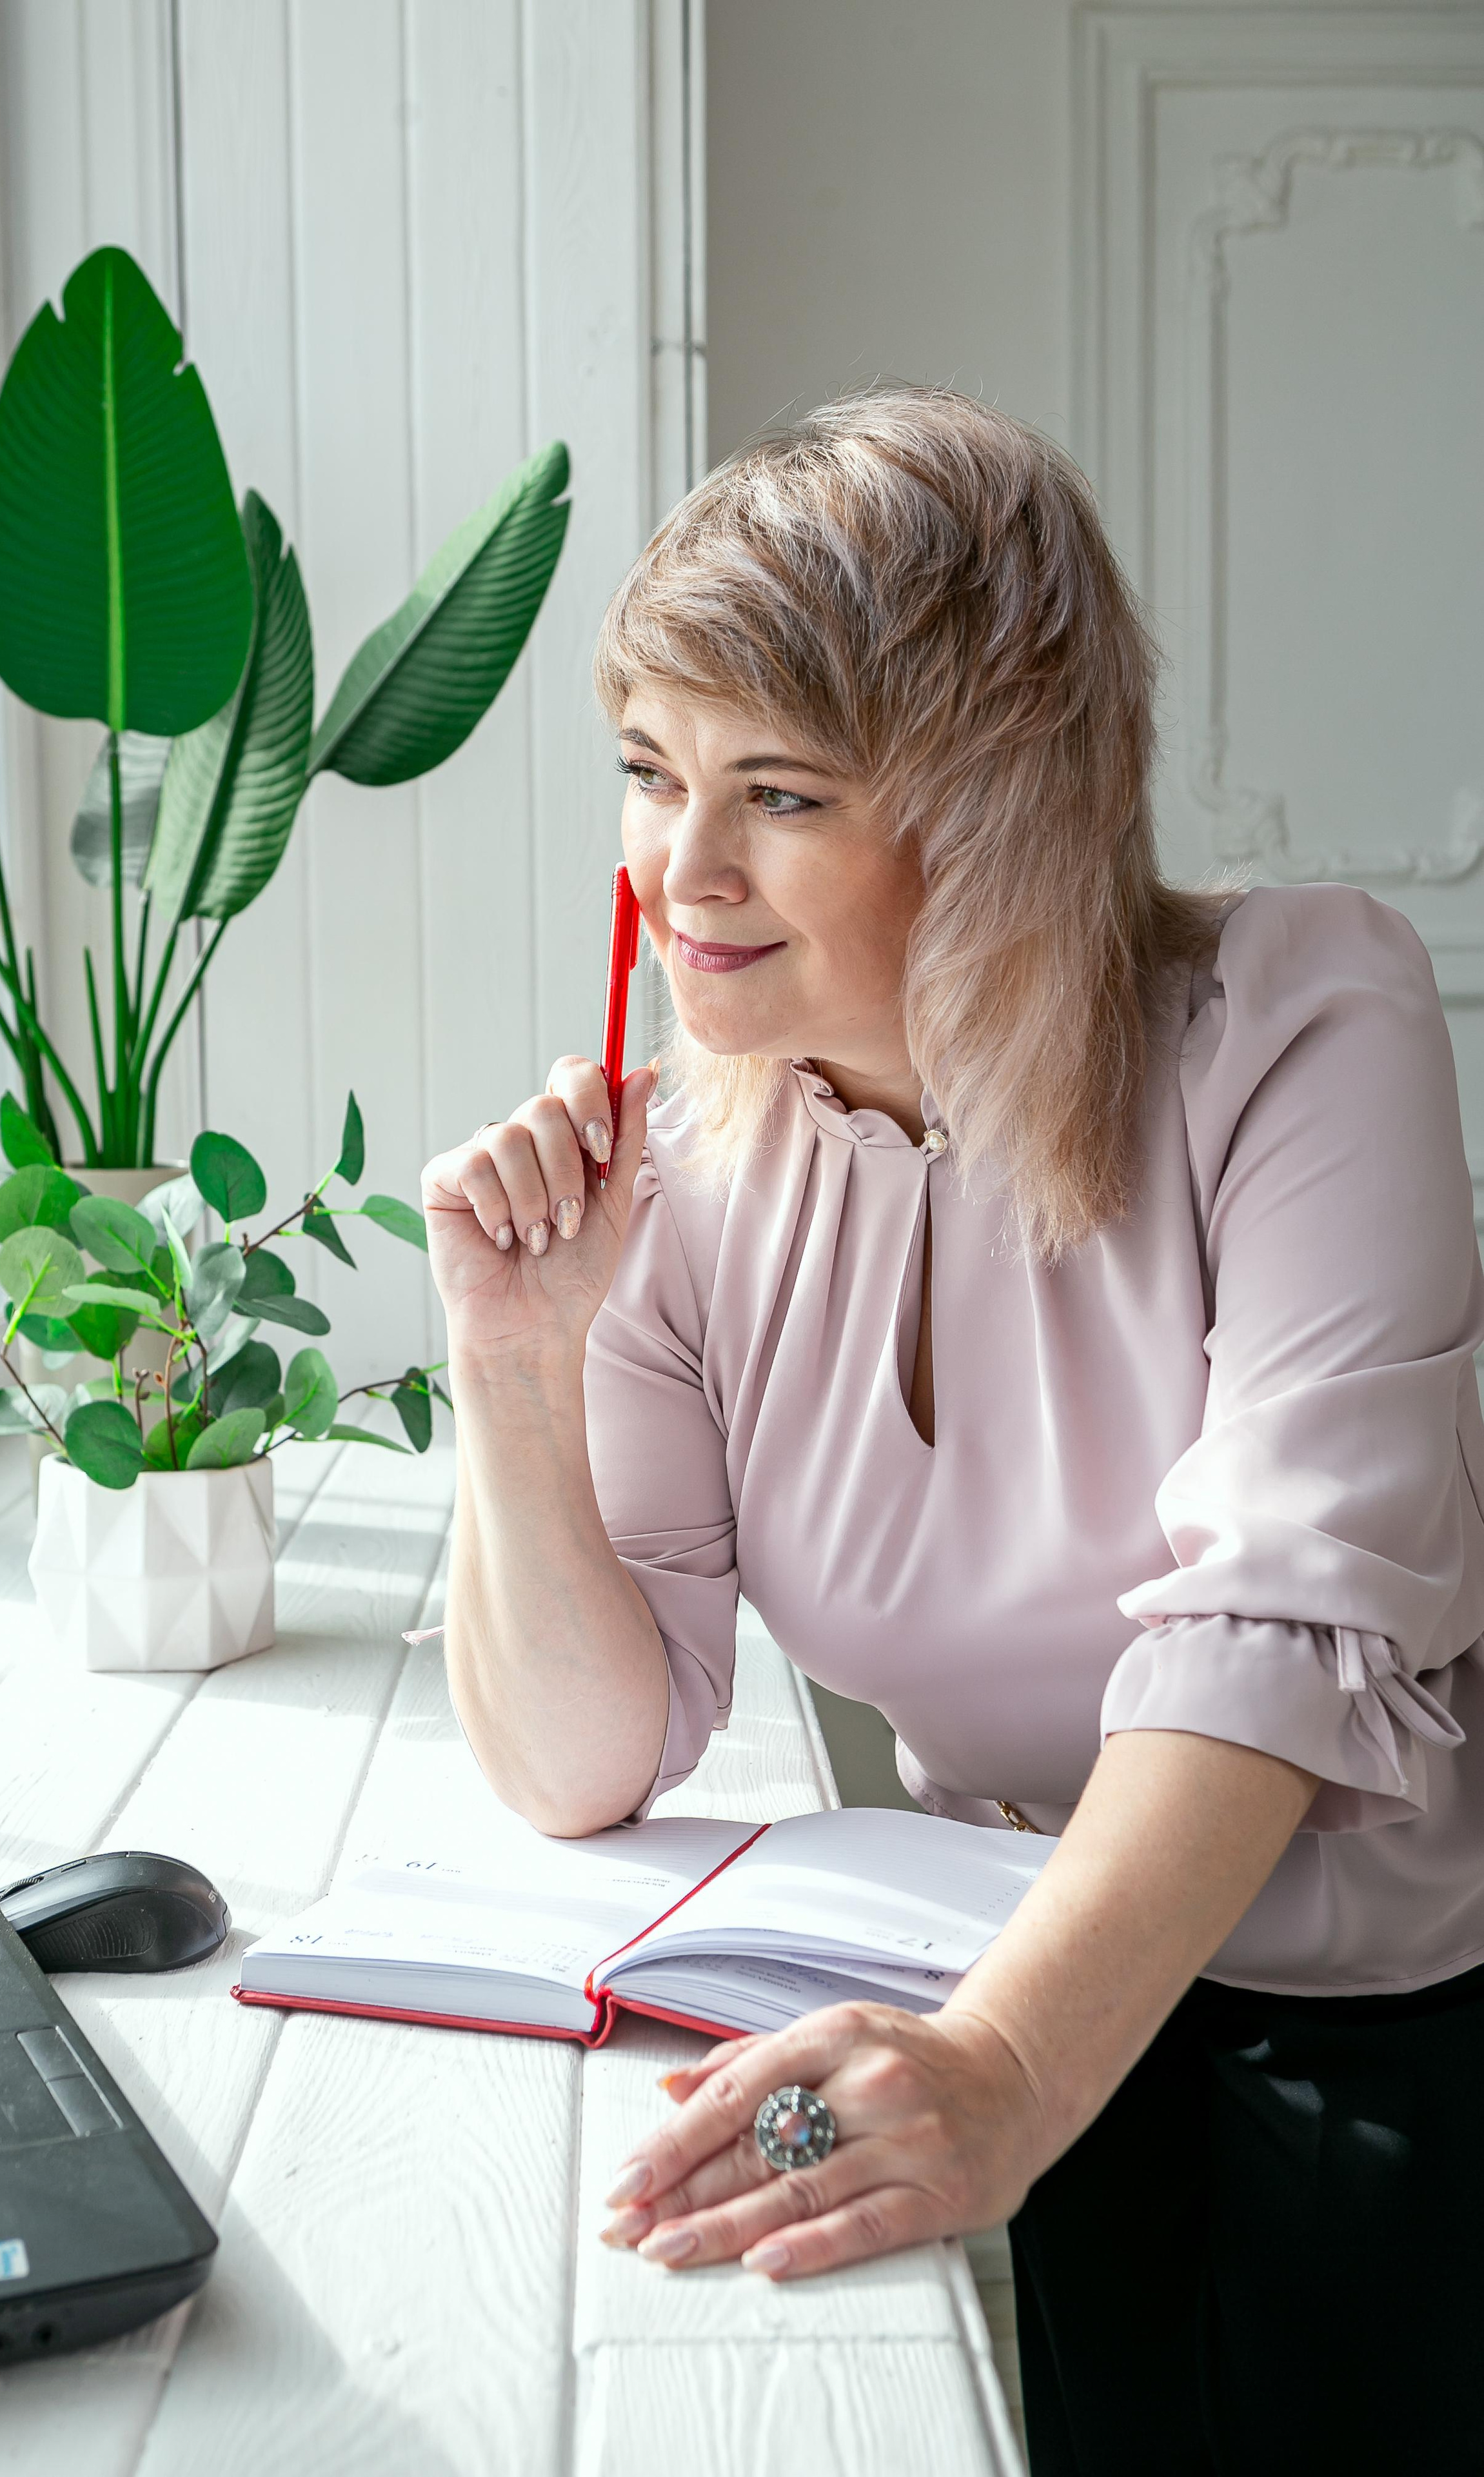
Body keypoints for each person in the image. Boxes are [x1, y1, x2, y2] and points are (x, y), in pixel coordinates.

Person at [420, 390, 1484, 2475]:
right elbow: (583, 1760)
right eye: (650, 772)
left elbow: (1267, 1634)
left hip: (1382, 2048)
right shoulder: (691, 1185)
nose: (683, 866)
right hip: (1016, 1994)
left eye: (781, 792)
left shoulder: (1302, 1018)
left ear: (989, 797)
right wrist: (516, 1370)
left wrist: (1003, 2068)